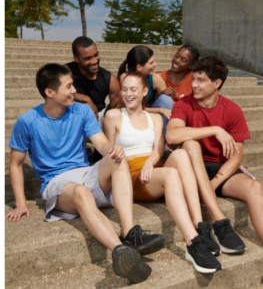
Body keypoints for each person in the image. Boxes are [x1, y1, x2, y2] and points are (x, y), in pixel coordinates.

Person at [5, 64, 165, 284]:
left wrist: (112, 149)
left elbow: (100, 143)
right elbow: (15, 164)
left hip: (86, 172)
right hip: (56, 183)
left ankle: (130, 234)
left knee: (117, 158)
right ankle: (120, 252)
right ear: (50, 92)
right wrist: (21, 203)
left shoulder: (80, 111)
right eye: (69, 86)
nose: (74, 90)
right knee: (81, 193)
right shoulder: (27, 121)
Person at [103, 71, 223, 274]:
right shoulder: (113, 116)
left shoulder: (155, 118)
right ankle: (192, 242)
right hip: (131, 176)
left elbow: (159, 150)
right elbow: (110, 152)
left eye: (133, 89)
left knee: (182, 155)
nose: (128, 94)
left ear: (144, 91)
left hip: (152, 171)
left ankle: (199, 225)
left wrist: (150, 162)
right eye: (124, 89)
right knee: (171, 174)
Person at [167, 56, 263, 246]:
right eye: (193, 78)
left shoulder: (232, 110)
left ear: (216, 83)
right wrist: (215, 130)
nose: (194, 84)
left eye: (200, 80)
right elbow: (172, 136)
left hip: (221, 168)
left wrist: (212, 184)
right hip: (192, 168)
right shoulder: (183, 104)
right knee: (190, 144)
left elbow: (236, 156)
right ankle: (218, 222)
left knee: (255, 188)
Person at [65, 36, 124, 126]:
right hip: (72, 116)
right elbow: (56, 91)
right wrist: (86, 99)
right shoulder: (67, 71)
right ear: (76, 59)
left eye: (96, 55)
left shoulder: (110, 78)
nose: (94, 61)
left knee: (122, 96)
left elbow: (116, 109)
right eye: (87, 58)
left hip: (98, 117)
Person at [118, 45, 175, 136]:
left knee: (165, 99)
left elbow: (170, 103)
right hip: (131, 115)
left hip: (149, 114)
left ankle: (165, 138)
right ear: (139, 67)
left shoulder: (155, 78)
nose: (155, 64)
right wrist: (161, 110)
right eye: (151, 62)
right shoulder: (126, 78)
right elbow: (132, 108)